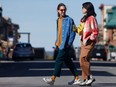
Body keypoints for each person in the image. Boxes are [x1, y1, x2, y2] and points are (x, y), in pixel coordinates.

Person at [43, 3, 81, 85]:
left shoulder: (70, 20)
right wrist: (56, 41)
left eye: (64, 10)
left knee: (58, 60)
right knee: (68, 62)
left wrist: (69, 43)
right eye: (61, 10)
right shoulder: (57, 20)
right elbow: (59, 32)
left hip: (65, 45)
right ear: (58, 11)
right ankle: (77, 78)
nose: (63, 11)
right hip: (59, 44)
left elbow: (73, 32)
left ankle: (53, 79)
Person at [74, 2, 99, 86]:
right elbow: (81, 31)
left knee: (82, 59)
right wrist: (75, 29)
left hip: (88, 42)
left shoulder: (91, 18)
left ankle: (90, 77)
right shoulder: (85, 18)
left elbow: (95, 31)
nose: (82, 9)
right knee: (86, 60)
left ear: (87, 8)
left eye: (83, 7)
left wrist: (89, 39)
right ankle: (85, 79)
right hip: (83, 41)